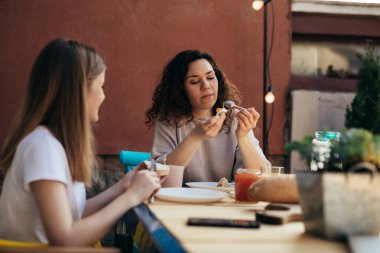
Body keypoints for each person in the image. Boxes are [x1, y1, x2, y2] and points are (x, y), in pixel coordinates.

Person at [0, 38, 161, 246]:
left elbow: (74, 215)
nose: (104, 96)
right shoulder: (42, 147)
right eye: (101, 86)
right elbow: (65, 238)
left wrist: (122, 187)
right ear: (79, 90)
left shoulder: (53, 145)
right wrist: (131, 196)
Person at [145, 50, 270, 184]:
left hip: (225, 201)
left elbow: (261, 179)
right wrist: (195, 136)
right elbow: (161, 177)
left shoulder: (234, 119)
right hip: (183, 202)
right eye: (194, 81)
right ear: (179, 89)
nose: (206, 86)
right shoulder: (169, 120)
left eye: (210, 78)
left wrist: (243, 136)